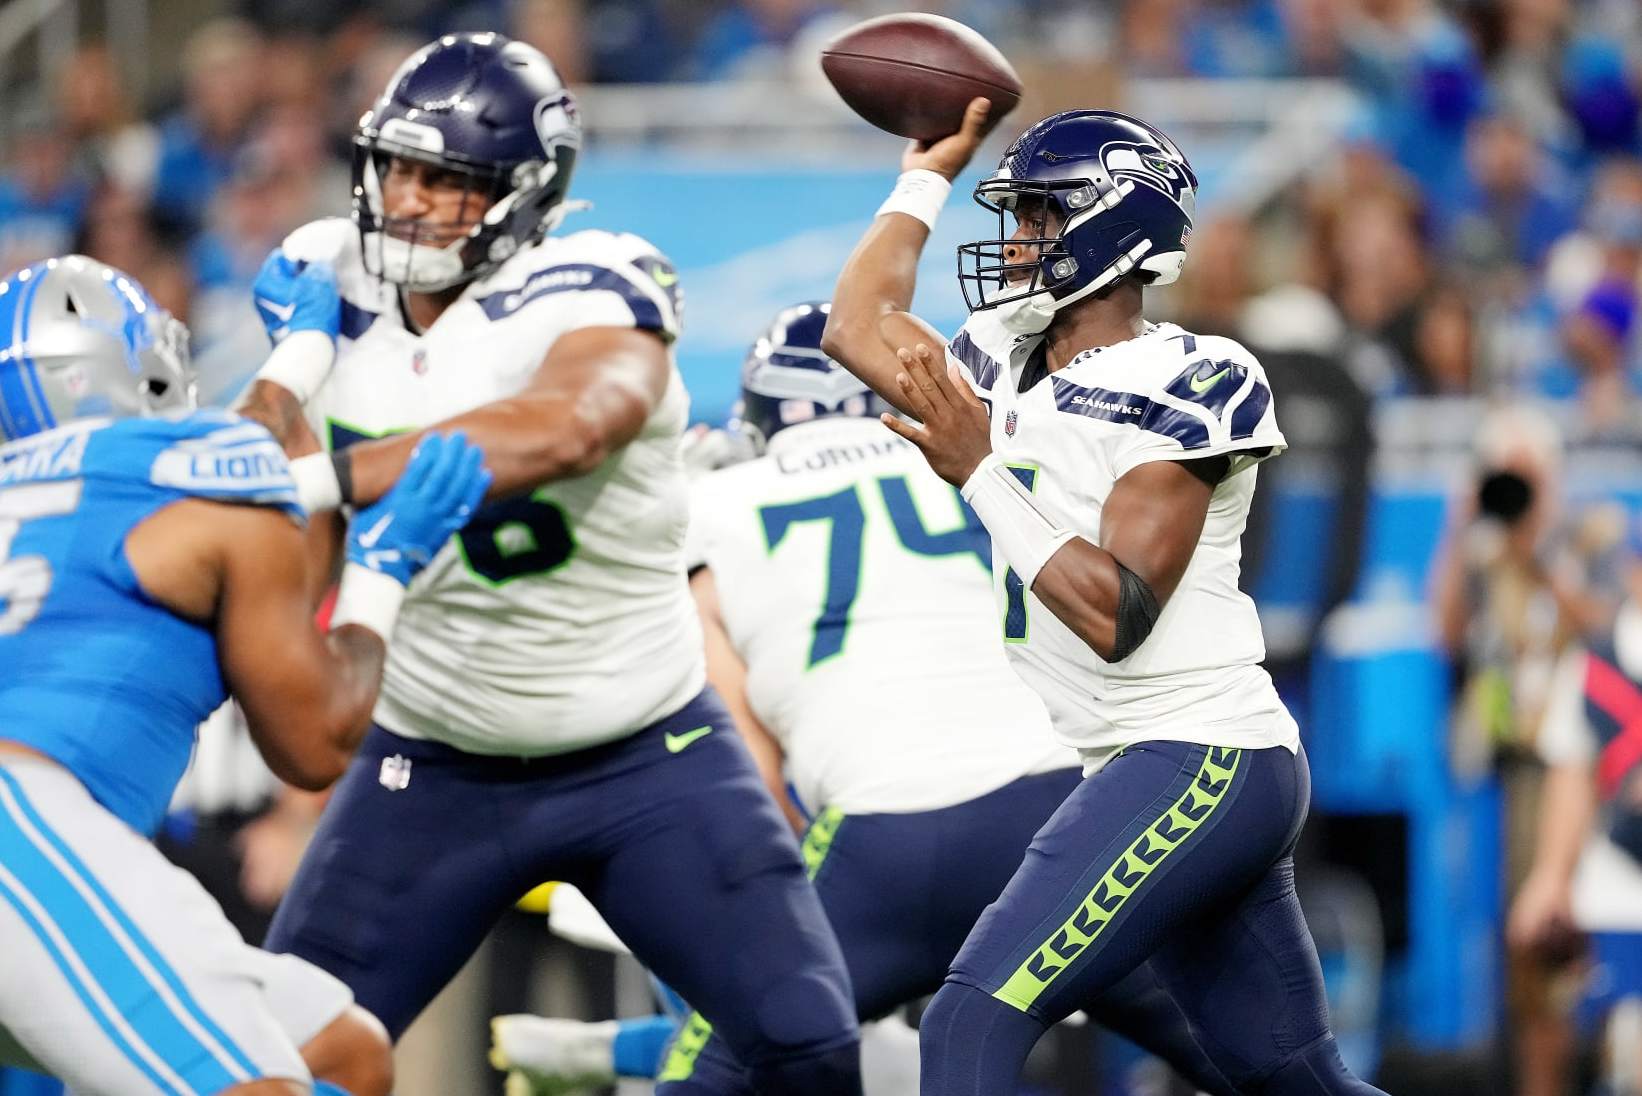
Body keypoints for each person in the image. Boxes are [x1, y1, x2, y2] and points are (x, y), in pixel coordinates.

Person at [236, 33, 862, 1094]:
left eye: (451, 179)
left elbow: (575, 423)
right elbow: (263, 510)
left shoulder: (592, 281)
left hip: (645, 751)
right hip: (432, 757)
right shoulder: (322, 282)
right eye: (401, 167)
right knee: (277, 1064)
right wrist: (284, 376)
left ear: (523, 197)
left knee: (806, 1043)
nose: (414, 200)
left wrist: (329, 473)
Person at [491, 304, 1246, 1096]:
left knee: (725, 1062)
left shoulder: (714, 508)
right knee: (1253, 1055)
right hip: (1065, 814)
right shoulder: (997, 463)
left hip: (879, 844)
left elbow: (739, 770)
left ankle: (612, 1053)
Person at [819, 100, 1387, 1094]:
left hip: (1200, 753)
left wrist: (980, 469)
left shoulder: (1191, 377)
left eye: (1039, 215)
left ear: (1111, 228)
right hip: (1140, 755)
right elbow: (855, 325)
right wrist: (925, 173)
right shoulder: (1000, 353)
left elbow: (1116, 611)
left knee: (969, 1021)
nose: (1015, 239)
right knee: (1292, 1081)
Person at [0, 255, 489, 1095]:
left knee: (344, 1055)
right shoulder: (198, 473)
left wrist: (301, 352)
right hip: (22, 823)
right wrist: (383, 566)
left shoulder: (54, 489)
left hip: (49, 834)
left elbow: (239, 452)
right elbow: (314, 742)